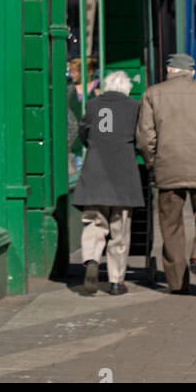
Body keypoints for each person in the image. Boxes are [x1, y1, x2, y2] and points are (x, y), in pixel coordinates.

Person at [136, 52, 196, 296]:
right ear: (192, 72)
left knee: (171, 224)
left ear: (168, 71)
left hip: (167, 167)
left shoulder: (152, 94)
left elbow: (145, 138)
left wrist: (152, 162)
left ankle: (177, 283)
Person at [74, 69, 144, 296]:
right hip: (123, 175)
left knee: (94, 223)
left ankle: (92, 260)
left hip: (95, 171)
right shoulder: (133, 107)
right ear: (126, 88)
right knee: (119, 230)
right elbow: (141, 138)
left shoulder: (93, 104)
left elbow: (83, 132)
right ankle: (115, 281)